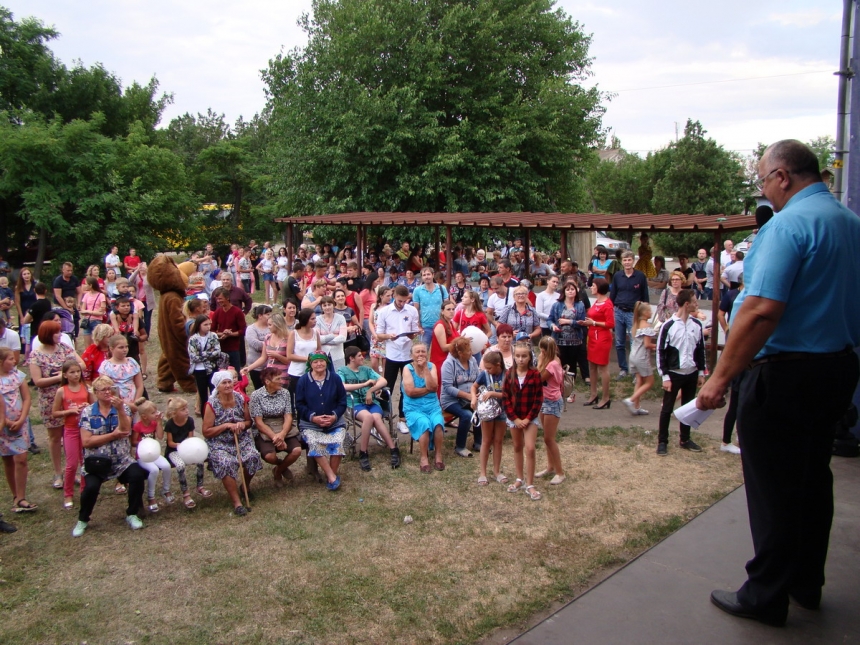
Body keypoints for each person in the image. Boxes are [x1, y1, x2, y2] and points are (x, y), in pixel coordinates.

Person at [696, 140, 860, 626]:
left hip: (785, 374)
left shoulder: (787, 225)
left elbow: (762, 308)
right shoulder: (850, 224)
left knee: (772, 488)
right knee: (813, 479)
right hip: (837, 368)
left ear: (783, 177)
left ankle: (765, 593)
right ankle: (807, 582)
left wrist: (720, 377)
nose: (764, 189)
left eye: (763, 180)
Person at [73, 375, 148, 537]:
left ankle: (132, 513)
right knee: (91, 488)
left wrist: (120, 409)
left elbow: (126, 430)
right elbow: (86, 441)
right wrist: (112, 435)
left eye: (111, 389)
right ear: (95, 392)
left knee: (137, 475)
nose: (108, 392)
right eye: (103, 390)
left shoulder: (123, 408)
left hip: (122, 460)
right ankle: (83, 519)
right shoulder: (87, 412)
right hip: (97, 462)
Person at [30, 320, 85, 488]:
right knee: (54, 437)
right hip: (49, 400)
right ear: (47, 334)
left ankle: (74, 470)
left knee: (73, 434)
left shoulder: (65, 348)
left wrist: (67, 374)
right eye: (57, 332)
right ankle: (57, 473)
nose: (60, 334)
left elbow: (81, 364)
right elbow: (37, 381)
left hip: (71, 398)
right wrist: (61, 376)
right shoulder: (36, 355)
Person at [202, 370, 261, 516]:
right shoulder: (211, 404)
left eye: (229, 382)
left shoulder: (240, 398)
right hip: (219, 442)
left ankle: (245, 487)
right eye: (224, 383)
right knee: (225, 462)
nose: (228, 385)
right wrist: (225, 426)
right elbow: (206, 431)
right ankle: (237, 502)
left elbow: (248, 421)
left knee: (253, 456)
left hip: (240, 438)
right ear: (218, 386)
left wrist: (242, 424)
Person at [655, 289, 706, 456]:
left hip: (690, 372)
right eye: (694, 302)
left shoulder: (696, 325)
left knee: (687, 407)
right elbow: (660, 351)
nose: (697, 304)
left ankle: (685, 438)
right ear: (686, 304)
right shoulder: (669, 326)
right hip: (674, 373)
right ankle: (662, 441)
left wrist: (700, 372)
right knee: (667, 409)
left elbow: (700, 350)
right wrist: (665, 376)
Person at [338, 346, 400, 471]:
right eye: (360, 355)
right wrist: (365, 384)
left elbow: (383, 380)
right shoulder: (342, 371)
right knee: (368, 417)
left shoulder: (366, 370)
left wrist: (371, 390)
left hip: (372, 403)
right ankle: (363, 452)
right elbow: (342, 386)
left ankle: (393, 449)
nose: (362, 357)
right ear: (351, 358)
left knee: (376, 418)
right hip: (354, 404)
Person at [295, 353, 348, 491]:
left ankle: (332, 475)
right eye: (315, 362)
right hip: (310, 423)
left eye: (322, 361)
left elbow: (342, 402)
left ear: (327, 363)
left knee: (338, 441)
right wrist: (313, 417)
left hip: (334, 421)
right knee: (313, 442)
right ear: (310, 364)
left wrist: (334, 416)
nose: (319, 364)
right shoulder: (303, 381)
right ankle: (331, 476)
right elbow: (299, 404)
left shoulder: (335, 378)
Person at [377, 285, 420, 434]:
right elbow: (379, 335)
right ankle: (382, 418)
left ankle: (402, 419)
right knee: (386, 387)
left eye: (405, 301)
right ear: (394, 295)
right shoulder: (384, 312)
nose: (402, 303)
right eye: (400, 300)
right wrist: (389, 336)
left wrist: (414, 333)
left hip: (407, 354)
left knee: (406, 388)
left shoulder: (412, 310)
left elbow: (413, 331)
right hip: (392, 354)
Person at [502, 341, 543, 501]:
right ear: (514, 357)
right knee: (517, 446)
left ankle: (530, 483)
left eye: (524, 356)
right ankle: (519, 478)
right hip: (514, 417)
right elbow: (505, 398)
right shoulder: (509, 374)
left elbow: (538, 399)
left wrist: (527, 418)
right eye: (517, 356)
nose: (520, 359)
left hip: (530, 417)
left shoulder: (535, 375)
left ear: (530, 357)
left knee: (530, 448)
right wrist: (515, 419)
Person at [51, 359, 94, 509]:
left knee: (85, 461)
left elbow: (95, 407)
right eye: (72, 372)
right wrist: (69, 411)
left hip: (85, 430)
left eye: (78, 371)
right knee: (71, 463)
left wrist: (87, 406)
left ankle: (84, 490)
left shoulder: (86, 388)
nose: (76, 375)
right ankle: (68, 493)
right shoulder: (62, 391)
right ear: (65, 375)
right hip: (70, 429)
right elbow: (55, 413)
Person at [249, 367, 302, 487]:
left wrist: (282, 435)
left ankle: (278, 471)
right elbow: (259, 422)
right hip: (266, 429)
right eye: (278, 379)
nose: (281, 381)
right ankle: (280, 465)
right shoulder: (256, 395)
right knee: (269, 457)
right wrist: (275, 437)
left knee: (296, 451)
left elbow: (288, 416)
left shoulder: (285, 393)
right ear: (267, 381)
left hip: (283, 426)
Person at [402, 342, 446, 473]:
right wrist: (428, 389)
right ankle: (423, 458)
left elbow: (434, 387)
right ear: (411, 355)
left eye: (423, 351)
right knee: (424, 423)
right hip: (413, 407)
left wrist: (425, 369)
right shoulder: (407, 368)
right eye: (417, 352)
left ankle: (438, 455)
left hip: (432, 406)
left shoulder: (431, 366)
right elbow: (410, 392)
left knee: (438, 423)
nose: (420, 354)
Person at [0, 347, 35, 512]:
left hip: (20, 424)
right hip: (3, 426)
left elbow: (27, 398)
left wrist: (21, 419)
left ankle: (21, 496)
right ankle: (15, 496)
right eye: (10, 359)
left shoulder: (18, 376)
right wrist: (5, 421)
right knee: (7, 459)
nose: (14, 361)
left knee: (21, 458)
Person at [164, 397, 211, 509]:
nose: (187, 411)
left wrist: (189, 447)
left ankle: (200, 486)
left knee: (200, 461)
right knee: (180, 466)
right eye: (183, 409)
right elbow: (170, 443)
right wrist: (179, 445)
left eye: (186, 408)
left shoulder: (190, 421)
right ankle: (185, 493)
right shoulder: (170, 424)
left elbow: (191, 438)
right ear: (174, 413)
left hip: (188, 450)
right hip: (174, 451)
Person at [609, 250, 649, 378]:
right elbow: (612, 295)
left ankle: (634, 371)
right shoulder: (617, 276)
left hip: (633, 313)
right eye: (625, 260)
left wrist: (643, 315)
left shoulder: (640, 276)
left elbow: (645, 297)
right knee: (619, 342)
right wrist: (610, 311)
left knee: (634, 343)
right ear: (622, 262)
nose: (627, 262)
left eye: (629, 260)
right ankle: (623, 369)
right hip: (619, 311)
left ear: (633, 261)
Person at [131, 398, 174, 513]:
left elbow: (160, 436)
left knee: (166, 466)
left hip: (154, 454)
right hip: (142, 456)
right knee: (154, 470)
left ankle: (166, 490)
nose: (156, 414)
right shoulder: (138, 426)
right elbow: (133, 442)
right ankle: (151, 497)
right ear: (144, 416)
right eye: (153, 412)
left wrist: (159, 423)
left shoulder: (154, 423)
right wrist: (144, 443)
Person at [441, 337, 481, 458]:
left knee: (479, 411)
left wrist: (476, 393)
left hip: (470, 397)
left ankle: (479, 442)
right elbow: (447, 387)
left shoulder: (473, 360)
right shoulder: (448, 364)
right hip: (451, 400)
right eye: (468, 351)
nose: (471, 352)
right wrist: (468, 396)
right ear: (460, 353)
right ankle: (460, 446)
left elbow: (478, 379)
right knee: (467, 415)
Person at [471, 350, 507, 485]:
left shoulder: (508, 375)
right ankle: (483, 473)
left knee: (498, 441)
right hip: (487, 412)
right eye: (486, 367)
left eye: (490, 368)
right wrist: (474, 398)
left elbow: (511, 394)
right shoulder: (484, 374)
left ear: (498, 365)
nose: (487, 370)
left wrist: (493, 393)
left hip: (502, 411)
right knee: (486, 440)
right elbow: (474, 387)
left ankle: (497, 471)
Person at [535, 337, 566, 485]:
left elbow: (538, 378)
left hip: (552, 402)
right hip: (544, 400)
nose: (540, 353)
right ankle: (550, 466)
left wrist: (540, 361)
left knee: (549, 438)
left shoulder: (552, 365)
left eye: (542, 350)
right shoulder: (553, 361)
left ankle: (560, 472)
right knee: (546, 437)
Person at [549, 280, 588, 392]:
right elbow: (550, 319)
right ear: (564, 292)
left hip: (575, 341)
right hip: (559, 340)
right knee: (560, 364)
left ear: (576, 291)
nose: (570, 291)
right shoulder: (557, 305)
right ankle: (560, 388)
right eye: (568, 289)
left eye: (572, 289)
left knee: (572, 365)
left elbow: (581, 322)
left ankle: (570, 390)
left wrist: (568, 322)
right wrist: (552, 326)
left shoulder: (580, 305)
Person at [581, 279, 614, 409]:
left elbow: (610, 324)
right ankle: (593, 394)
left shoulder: (607, 304)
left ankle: (606, 397)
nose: (591, 287)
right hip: (593, 336)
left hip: (602, 338)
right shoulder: (597, 301)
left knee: (602, 367)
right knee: (592, 366)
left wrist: (594, 323)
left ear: (599, 288)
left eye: (593, 285)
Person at [623, 301, 657, 416]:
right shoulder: (647, 327)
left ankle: (636, 407)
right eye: (650, 310)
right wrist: (657, 346)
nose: (651, 312)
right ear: (645, 313)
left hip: (633, 355)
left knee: (639, 380)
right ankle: (631, 400)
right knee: (650, 382)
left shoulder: (636, 325)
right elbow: (647, 344)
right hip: (642, 357)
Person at [187, 314, 223, 415]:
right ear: (199, 325)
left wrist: (201, 354)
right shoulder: (193, 339)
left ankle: (216, 416)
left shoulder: (213, 336)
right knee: (203, 396)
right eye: (205, 324)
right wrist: (208, 354)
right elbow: (193, 356)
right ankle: (205, 418)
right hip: (199, 370)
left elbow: (217, 352)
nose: (208, 327)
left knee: (214, 393)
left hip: (212, 368)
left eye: (209, 324)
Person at [210, 287, 247, 373]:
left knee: (235, 373)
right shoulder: (217, 312)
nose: (218, 301)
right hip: (220, 348)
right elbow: (212, 331)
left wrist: (230, 334)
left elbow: (243, 330)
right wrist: (222, 333)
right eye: (217, 299)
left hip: (234, 348)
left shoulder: (237, 312)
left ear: (227, 298)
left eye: (220, 298)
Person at [413, 267, 449, 347]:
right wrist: (418, 326)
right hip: (425, 327)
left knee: (442, 351)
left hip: (440, 325)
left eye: (428, 274)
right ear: (422, 277)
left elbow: (447, 307)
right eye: (424, 275)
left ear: (433, 275)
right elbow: (416, 310)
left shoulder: (441, 288)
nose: (426, 277)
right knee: (423, 351)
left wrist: (447, 323)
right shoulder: (417, 291)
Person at [245, 304, 272, 390]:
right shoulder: (251, 328)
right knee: (259, 389)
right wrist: (270, 345)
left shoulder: (271, 327)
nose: (269, 316)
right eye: (267, 314)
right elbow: (255, 344)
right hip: (255, 365)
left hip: (269, 365)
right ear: (260, 315)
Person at [316, 296, 348, 369]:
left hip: (338, 354)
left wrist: (325, 340)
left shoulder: (341, 318)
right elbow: (317, 339)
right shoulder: (317, 319)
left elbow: (343, 338)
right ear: (321, 307)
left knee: (338, 376)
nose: (327, 307)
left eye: (329, 304)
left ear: (333, 305)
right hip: (323, 354)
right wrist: (333, 336)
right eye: (324, 305)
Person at [368, 285, 392, 373]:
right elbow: (371, 322)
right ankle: (377, 381)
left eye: (391, 295)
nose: (390, 298)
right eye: (388, 296)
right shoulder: (374, 306)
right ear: (381, 296)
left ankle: (385, 382)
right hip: (375, 337)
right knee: (374, 363)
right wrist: (375, 335)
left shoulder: (391, 307)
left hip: (386, 337)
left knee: (386, 364)